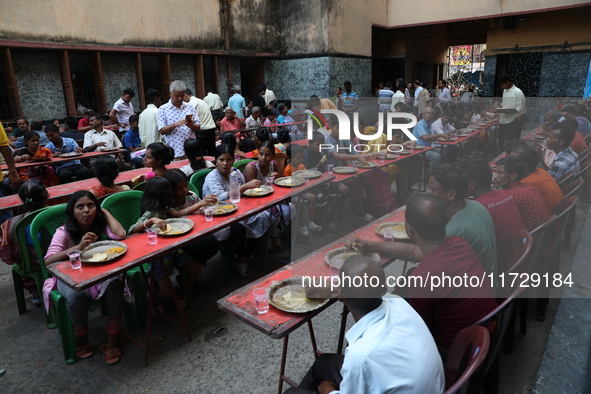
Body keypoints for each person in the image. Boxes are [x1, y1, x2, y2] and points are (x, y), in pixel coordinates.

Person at [348, 194, 497, 351]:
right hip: (485, 331)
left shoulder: (422, 279)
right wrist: (368, 245)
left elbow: (419, 331)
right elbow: (411, 250)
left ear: (409, 229)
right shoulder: (459, 243)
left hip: (453, 352)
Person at [289, 255, 445, 394]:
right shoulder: (397, 301)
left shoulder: (361, 357)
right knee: (323, 364)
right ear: (383, 288)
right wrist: (332, 289)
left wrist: (327, 391)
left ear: (342, 298)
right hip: (430, 387)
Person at [44, 191, 126, 364]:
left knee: (115, 286)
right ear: (72, 211)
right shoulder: (64, 232)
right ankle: (81, 337)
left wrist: (105, 211)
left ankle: (112, 339)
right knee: (76, 295)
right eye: (79, 207)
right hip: (69, 277)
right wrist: (79, 247)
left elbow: (120, 235)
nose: (86, 211)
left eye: (91, 206)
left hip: (98, 274)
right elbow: (49, 260)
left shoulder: (99, 226)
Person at [128, 177, 202, 307]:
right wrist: (150, 221)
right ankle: (152, 304)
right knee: (166, 293)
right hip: (158, 257)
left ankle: (181, 294)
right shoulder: (152, 212)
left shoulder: (167, 208)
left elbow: (178, 216)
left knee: (197, 270)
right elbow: (131, 231)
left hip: (173, 251)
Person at [202, 144, 271, 277]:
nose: (225, 163)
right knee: (237, 228)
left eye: (228, 160)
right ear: (215, 160)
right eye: (221, 160)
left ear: (233, 160)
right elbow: (220, 196)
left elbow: (245, 192)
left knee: (264, 216)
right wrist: (244, 187)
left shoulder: (235, 172)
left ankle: (243, 254)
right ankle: (241, 255)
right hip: (217, 213)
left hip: (238, 209)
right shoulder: (213, 177)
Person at [0, 179, 49, 304]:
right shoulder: (58, 212)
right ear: (46, 195)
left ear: (22, 199)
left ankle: (36, 292)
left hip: (35, 264)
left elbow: (10, 254)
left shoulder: (15, 223)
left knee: (22, 257)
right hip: (61, 256)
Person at [164, 169, 219, 266]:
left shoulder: (191, 196)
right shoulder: (168, 203)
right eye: (179, 188)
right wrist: (200, 204)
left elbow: (202, 211)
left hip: (197, 230)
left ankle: (198, 265)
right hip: (180, 237)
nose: (185, 190)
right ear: (171, 190)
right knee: (195, 247)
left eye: (186, 185)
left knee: (213, 242)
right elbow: (176, 214)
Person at [459, 159, 525, 241]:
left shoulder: (476, 208)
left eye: (461, 181)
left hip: (503, 252)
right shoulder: (505, 193)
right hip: (519, 248)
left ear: (472, 184)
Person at [495, 157, 549, 231]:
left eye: (500, 173)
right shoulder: (528, 186)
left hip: (528, 238)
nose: (495, 177)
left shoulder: (509, 196)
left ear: (513, 176)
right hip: (541, 235)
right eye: (495, 172)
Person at [510, 146, 563, 212]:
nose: (508, 163)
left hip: (550, 219)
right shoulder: (540, 170)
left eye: (512, 161)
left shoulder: (528, 183)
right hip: (555, 215)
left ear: (525, 166)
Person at [158, 80, 200, 159]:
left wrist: (191, 126)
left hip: (192, 151)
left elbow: (198, 127)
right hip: (175, 152)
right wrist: (174, 125)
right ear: (170, 94)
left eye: (182, 95)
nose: (180, 98)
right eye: (177, 96)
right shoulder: (163, 109)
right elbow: (162, 131)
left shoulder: (190, 107)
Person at [285, 144, 321, 235]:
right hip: (292, 193)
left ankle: (309, 221)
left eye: (302, 158)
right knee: (300, 202)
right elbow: (288, 186)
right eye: (298, 158)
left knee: (314, 198)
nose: (301, 160)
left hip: (302, 190)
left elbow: (306, 174)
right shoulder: (288, 170)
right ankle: (301, 224)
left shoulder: (301, 166)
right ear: (290, 158)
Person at [185, 89, 217, 156]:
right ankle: (213, 165)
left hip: (202, 130)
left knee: (201, 152)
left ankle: (203, 166)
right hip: (211, 129)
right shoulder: (201, 101)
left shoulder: (191, 104)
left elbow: (188, 119)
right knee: (212, 151)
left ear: (186, 96)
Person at [498, 74, 526, 147]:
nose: (502, 87)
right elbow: (505, 102)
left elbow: (520, 107)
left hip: (514, 118)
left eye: (503, 85)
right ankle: (502, 150)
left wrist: (509, 111)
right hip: (503, 118)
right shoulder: (505, 90)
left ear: (508, 82)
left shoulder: (518, 92)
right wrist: (500, 107)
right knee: (500, 136)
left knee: (510, 138)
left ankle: (509, 152)